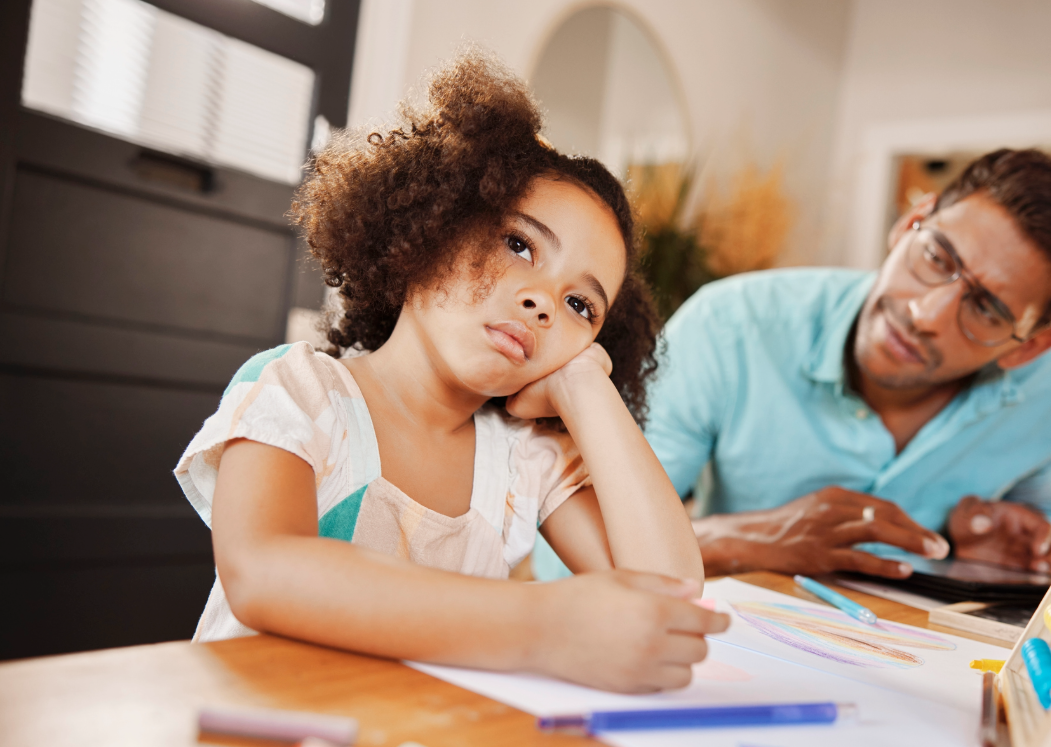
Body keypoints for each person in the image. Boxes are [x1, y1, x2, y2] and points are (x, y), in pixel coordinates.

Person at [173, 52, 726, 694]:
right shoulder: (298, 392)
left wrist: (584, 386)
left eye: (581, 305)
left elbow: (670, 591)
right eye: (518, 244)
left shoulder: (526, 459)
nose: (544, 300)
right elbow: (264, 573)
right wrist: (540, 626)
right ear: (433, 224)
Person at [537, 150, 1051, 582]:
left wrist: (1009, 544)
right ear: (910, 223)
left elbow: (1047, 527)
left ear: (1028, 347)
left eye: (987, 309)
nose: (924, 313)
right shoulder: (733, 326)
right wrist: (751, 539)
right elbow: (560, 554)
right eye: (937, 256)